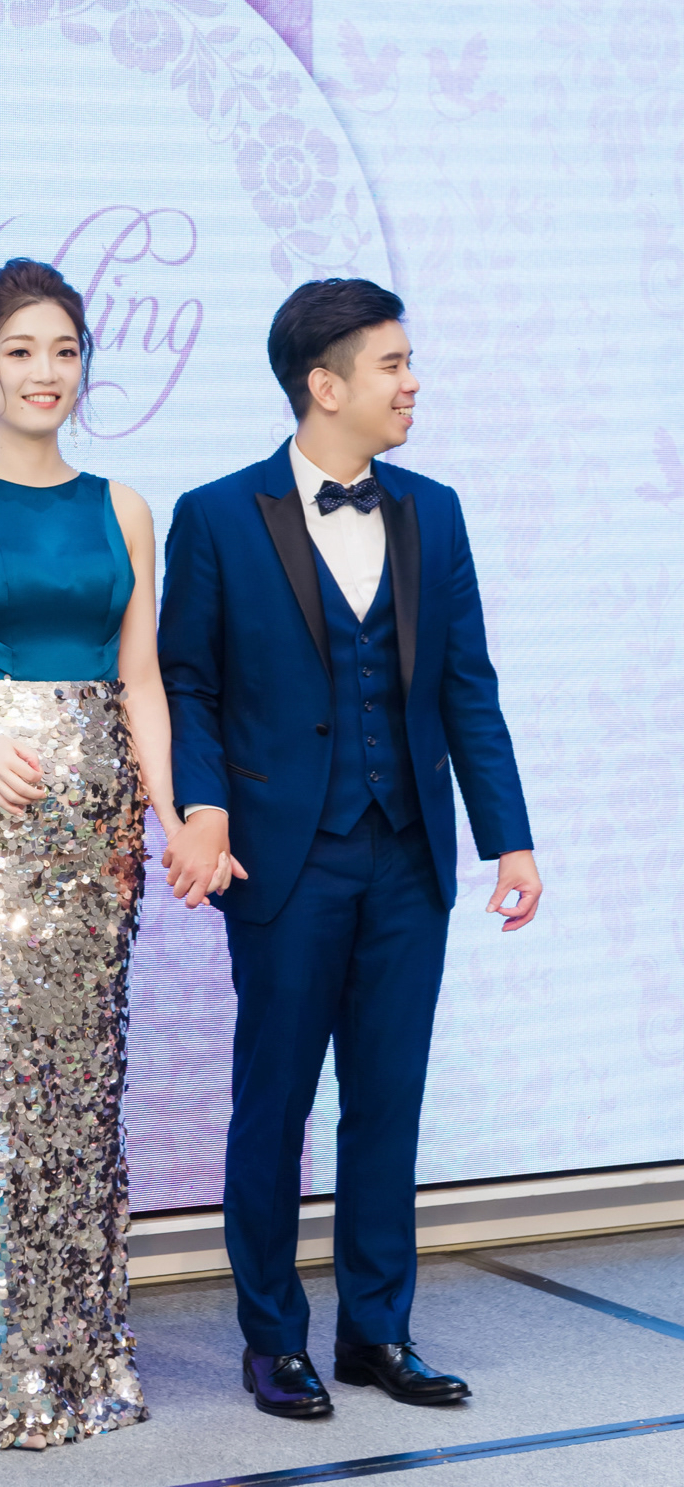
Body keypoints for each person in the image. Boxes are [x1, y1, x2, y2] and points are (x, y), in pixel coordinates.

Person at [158, 278, 542, 1419]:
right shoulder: (216, 516)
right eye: (392, 364)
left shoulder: (435, 511)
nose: (412, 382)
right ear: (324, 386)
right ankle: (273, 1339)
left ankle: (377, 1332)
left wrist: (508, 839)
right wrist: (202, 807)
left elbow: (467, 686)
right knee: (272, 1105)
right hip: (283, 861)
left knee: (388, 1101)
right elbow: (187, 684)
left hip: (409, 857)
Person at [0, 258, 231, 1452]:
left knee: (81, 1085)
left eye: (64, 349)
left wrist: (174, 816)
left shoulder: (122, 506)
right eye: (20, 350)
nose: (45, 372)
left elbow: (141, 683)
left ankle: (74, 1359)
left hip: (96, 833)